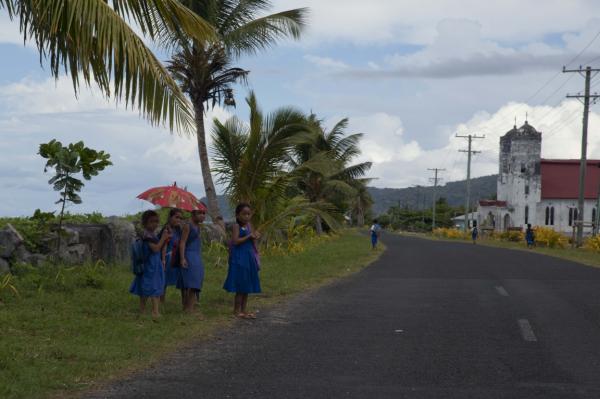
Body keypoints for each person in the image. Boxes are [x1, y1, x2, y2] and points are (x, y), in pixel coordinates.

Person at [129, 210, 171, 319]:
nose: (155, 224)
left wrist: (163, 236)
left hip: (151, 263)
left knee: (145, 287)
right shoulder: (147, 236)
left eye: (156, 221)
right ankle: (155, 312)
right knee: (154, 287)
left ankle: (142, 310)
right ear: (145, 223)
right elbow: (156, 248)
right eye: (151, 221)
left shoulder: (150, 234)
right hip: (151, 264)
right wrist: (163, 238)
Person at [223, 203, 261, 319]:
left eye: (248, 214)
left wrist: (255, 238)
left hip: (249, 257)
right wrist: (249, 236)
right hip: (239, 258)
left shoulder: (249, 225)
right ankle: (236, 310)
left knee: (247, 285)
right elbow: (235, 241)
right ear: (237, 215)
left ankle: (244, 310)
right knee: (240, 285)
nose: (246, 217)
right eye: (244, 214)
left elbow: (253, 241)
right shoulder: (236, 226)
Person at [178, 209, 206, 314]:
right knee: (190, 282)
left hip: (196, 255)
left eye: (204, 213)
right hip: (189, 255)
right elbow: (182, 242)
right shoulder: (188, 226)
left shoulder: (198, 227)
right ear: (193, 214)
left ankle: (189, 307)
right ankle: (188, 308)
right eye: (200, 213)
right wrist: (182, 258)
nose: (202, 216)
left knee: (196, 281)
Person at [160, 208, 183, 304]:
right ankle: (161, 301)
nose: (178, 220)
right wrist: (163, 260)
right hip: (169, 257)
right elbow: (164, 245)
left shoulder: (178, 229)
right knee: (164, 281)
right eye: (176, 217)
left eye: (180, 218)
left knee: (182, 279)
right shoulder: (166, 229)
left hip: (177, 257)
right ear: (170, 217)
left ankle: (184, 301)